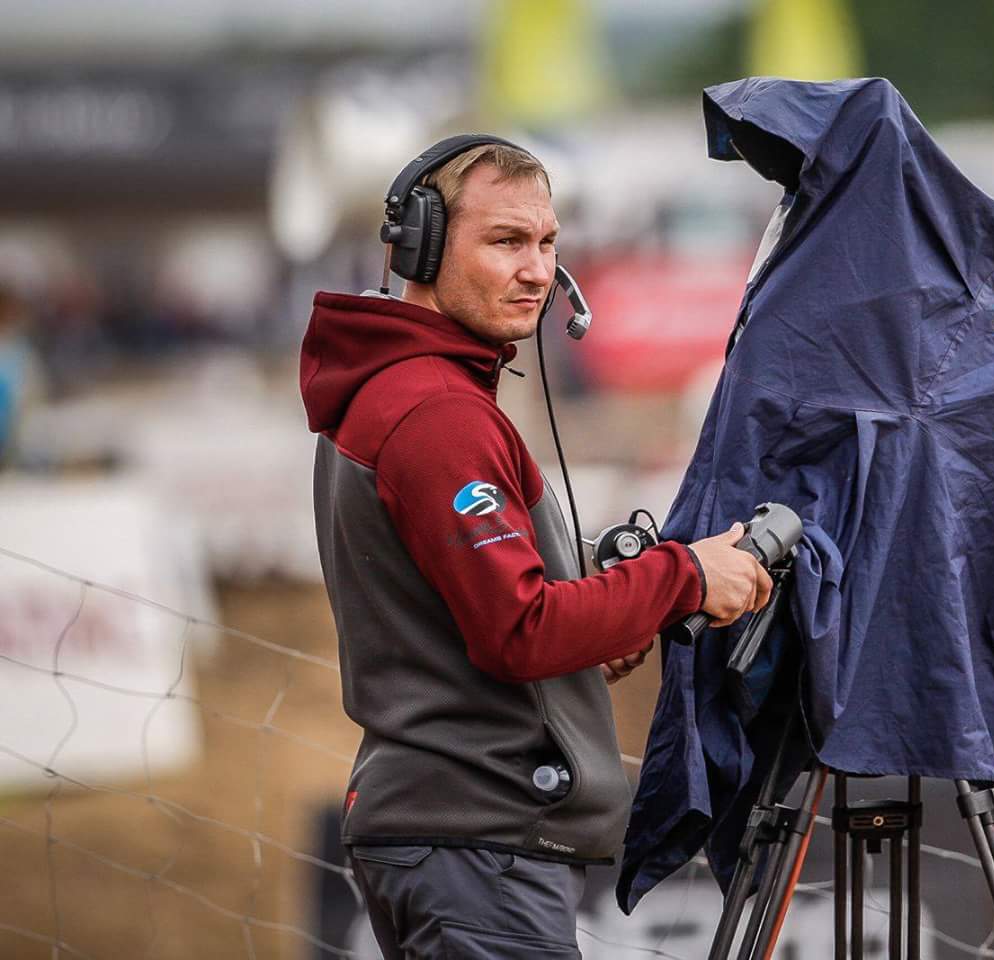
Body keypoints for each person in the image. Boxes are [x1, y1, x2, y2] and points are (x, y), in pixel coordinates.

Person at [299, 138, 772, 959]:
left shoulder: (412, 392)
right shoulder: (436, 413)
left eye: (548, 244)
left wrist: (605, 619)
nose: (537, 271)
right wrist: (684, 577)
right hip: (477, 844)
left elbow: (481, 618)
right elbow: (520, 630)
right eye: (507, 241)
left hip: (464, 840)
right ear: (419, 245)